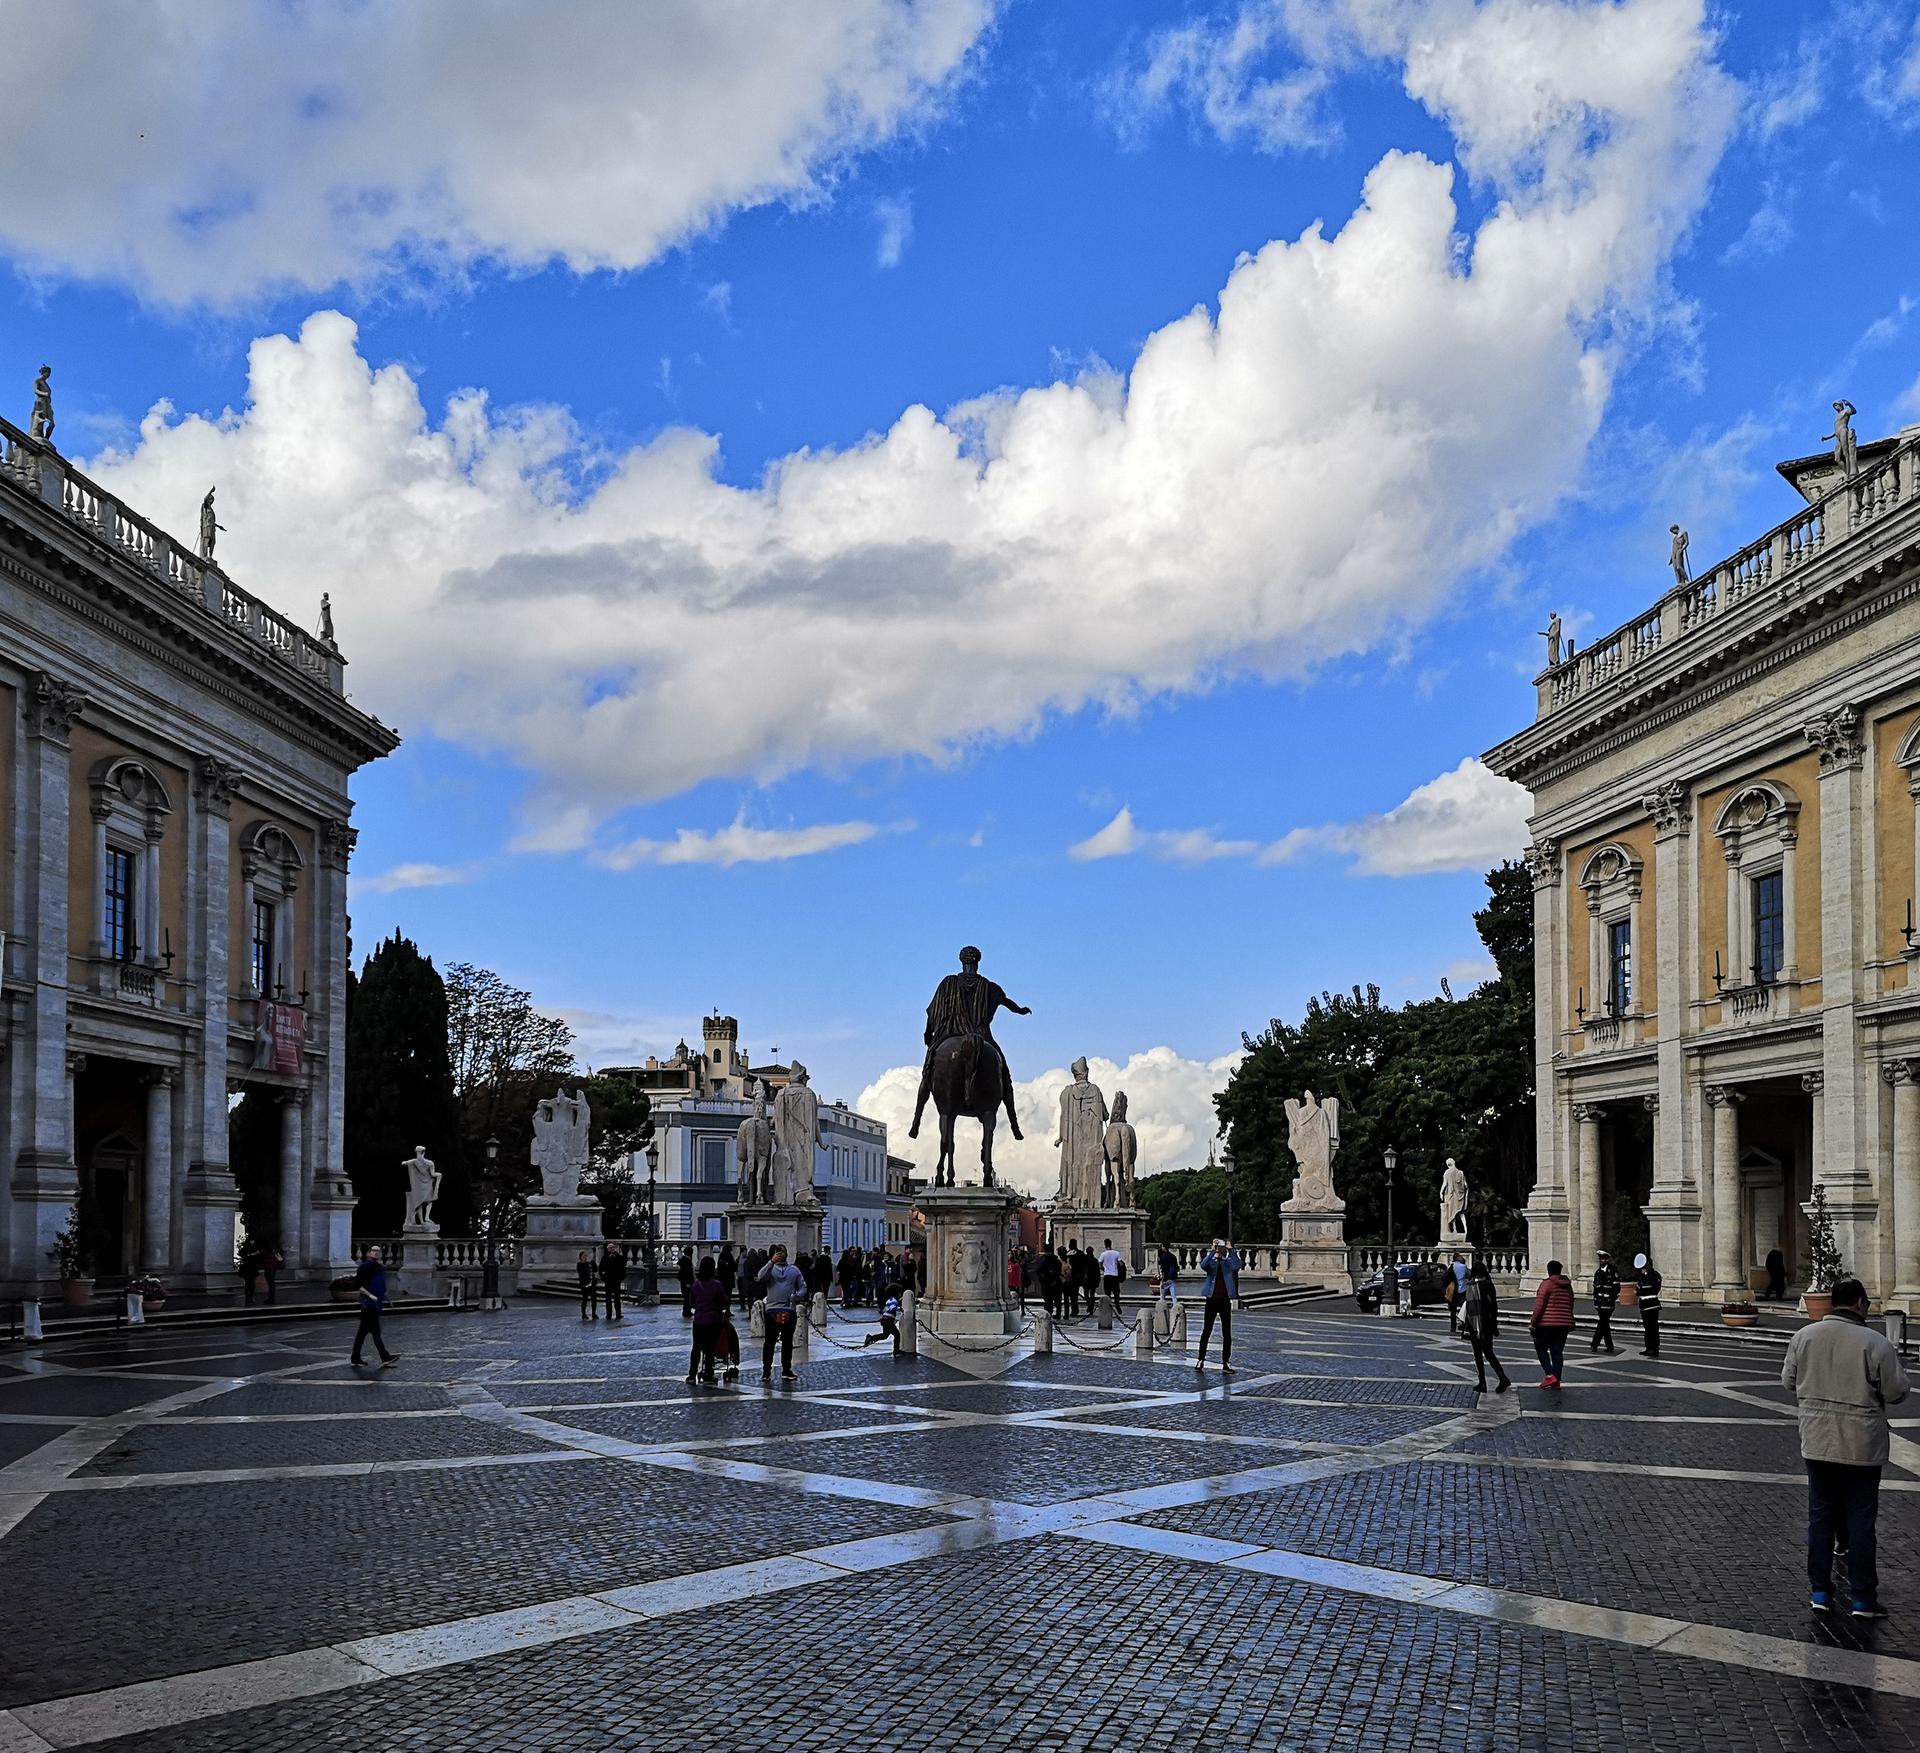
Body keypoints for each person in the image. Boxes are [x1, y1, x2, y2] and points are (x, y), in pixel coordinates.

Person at [1782, 1276, 1911, 1617]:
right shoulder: (1874, 1342)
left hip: (1817, 1440)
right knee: (1861, 1520)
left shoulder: (1803, 1337)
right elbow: (1896, 1391)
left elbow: (1788, 1382)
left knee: (1820, 1516)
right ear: (1858, 1304)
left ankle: (1821, 1592)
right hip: (1861, 1444)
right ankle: (1863, 1598)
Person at [1461, 1258, 1511, 1395]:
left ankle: (1482, 1382)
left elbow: (1470, 1309)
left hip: (1476, 1324)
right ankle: (1502, 1376)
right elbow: (1494, 1306)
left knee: (1478, 1354)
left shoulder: (1472, 1286)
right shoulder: (1489, 1285)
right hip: (1488, 1323)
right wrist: (1494, 1325)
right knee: (1489, 1352)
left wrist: (1466, 1326)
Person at [758, 1244, 808, 1381]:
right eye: (777, 1252)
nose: (780, 1254)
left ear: (787, 1253)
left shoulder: (794, 1270)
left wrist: (798, 1295)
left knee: (787, 1342)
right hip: (771, 1310)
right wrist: (771, 1262)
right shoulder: (769, 1269)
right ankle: (766, 1371)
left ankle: (786, 1369)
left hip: (788, 1309)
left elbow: (803, 1287)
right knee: (769, 1342)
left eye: (782, 1252)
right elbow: (760, 1277)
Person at [1529, 1259, 1577, 1388]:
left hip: (1547, 1323)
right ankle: (1557, 1379)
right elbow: (1571, 1303)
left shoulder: (1547, 1284)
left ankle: (1550, 1375)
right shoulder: (1568, 1285)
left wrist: (1533, 1323)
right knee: (1557, 1351)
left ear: (1548, 1271)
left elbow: (1539, 1306)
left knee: (1541, 1348)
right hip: (1564, 1323)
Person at [1196, 1237, 1241, 1371]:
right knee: (1206, 1331)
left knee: (1226, 1332)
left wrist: (1231, 1250)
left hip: (1225, 1300)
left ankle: (1226, 1361)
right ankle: (1200, 1359)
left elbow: (1237, 1265)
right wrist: (1212, 1251)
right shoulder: (1212, 1263)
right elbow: (1203, 1265)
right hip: (1212, 1299)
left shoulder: (1228, 1263)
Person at [351, 1245, 397, 1368]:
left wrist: (387, 1298)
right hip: (369, 1304)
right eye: (373, 1251)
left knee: (362, 1333)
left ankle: (355, 1357)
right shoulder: (365, 1267)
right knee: (375, 1331)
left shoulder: (379, 1267)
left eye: (378, 1251)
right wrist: (370, 1296)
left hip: (376, 1304)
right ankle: (384, 1356)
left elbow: (381, 1285)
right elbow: (358, 1285)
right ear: (368, 1253)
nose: (376, 1253)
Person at [687, 1256, 729, 1385]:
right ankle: (708, 1373)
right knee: (710, 1349)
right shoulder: (716, 1285)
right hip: (713, 1320)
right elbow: (723, 1302)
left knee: (696, 1347)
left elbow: (691, 1303)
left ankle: (691, 1374)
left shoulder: (695, 1285)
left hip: (699, 1320)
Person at [1589, 1250, 1619, 1355]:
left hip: (1608, 1301)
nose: (1601, 1261)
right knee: (1604, 1324)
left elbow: (1616, 1287)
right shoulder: (1597, 1273)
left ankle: (1594, 1344)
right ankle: (1609, 1346)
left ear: (1607, 1259)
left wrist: (1612, 1298)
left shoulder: (1612, 1271)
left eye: (1603, 1259)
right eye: (1600, 1259)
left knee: (1602, 1323)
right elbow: (1595, 1289)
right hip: (1600, 1302)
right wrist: (1595, 1301)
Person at [1634, 1252, 1662, 1357]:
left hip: (1651, 1304)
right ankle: (1649, 1347)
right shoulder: (1643, 1276)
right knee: (1647, 1328)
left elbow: (1650, 1288)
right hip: (1645, 1304)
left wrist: (1639, 1290)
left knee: (1652, 1328)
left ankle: (1654, 1348)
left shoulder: (1653, 1275)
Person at [1098, 1238, 1125, 1318]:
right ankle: (1117, 1304)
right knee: (1116, 1292)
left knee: (1107, 1292)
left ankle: (1108, 1306)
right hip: (1115, 1275)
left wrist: (1104, 1269)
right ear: (1111, 1244)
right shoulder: (1116, 1253)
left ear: (1105, 1244)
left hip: (1107, 1275)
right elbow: (1121, 1264)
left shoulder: (1103, 1254)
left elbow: (1100, 1264)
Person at [602, 1243, 627, 1321]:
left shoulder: (619, 1257)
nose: (612, 1249)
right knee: (608, 1299)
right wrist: (604, 1278)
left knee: (617, 1298)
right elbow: (601, 1269)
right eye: (610, 1248)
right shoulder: (605, 1257)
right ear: (608, 1249)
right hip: (608, 1281)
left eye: (613, 1247)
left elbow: (623, 1269)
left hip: (616, 1281)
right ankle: (608, 1314)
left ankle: (618, 1314)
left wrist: (620, 1279)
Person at [1037, 1244, 1062, 1319]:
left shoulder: (1054, 1261)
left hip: (1052, 1283)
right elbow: (1038, 1271)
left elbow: (1058, 1272)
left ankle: (1053, 1313)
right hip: (1048, 1283)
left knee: (1052, 1300)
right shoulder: (1045, 1260)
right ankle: (1051, 1313)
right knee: (1049, 1300)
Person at [1447, 1253, 1467, 1334]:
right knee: (1464, 1309)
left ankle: (1453, 1326)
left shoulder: (1451, 1267)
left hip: (1453, 1290)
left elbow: (1446, 1277)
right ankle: (1463, 1324)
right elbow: (1469, 1275)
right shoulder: (1463, 1267)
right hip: (1462, 1290)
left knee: (1453, 1310)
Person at [575, 1249, 598, 1321]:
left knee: (594, 1299)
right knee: (584, 1299)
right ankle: (583, 1314)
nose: (585, 1257)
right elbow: (582, 1273)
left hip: (592, 1284)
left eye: (586, 1256)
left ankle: (594, 1313)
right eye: (584, 1256)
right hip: (585, 1284)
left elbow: (595, 1270)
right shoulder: (579, 1264)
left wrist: (593, 1264)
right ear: (581, 1257)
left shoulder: (589, 1264)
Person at [1157, 1243, 1180, 1310]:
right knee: (1173, 1296)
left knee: (1162, 1297)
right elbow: (1177, 1267)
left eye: (1162, 1246)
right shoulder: (1172, 1256)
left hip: (1165, 1279)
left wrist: (1162, 1280)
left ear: (1164, 1247)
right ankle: (1175, 1309)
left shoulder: (1163, 1257)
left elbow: (1163, 1269)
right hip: (1172, 1279)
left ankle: (1161, 1310)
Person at [677, 1247, 695, 1319]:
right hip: (687, 1283)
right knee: (687, 1298)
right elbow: (685, 1273)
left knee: (687, 1298)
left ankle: (687, 1311)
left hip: (686, 1282)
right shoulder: (686, 1261)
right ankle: (686, 1311)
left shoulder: (683, 1260)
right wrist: (687, 1282)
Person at [262, 1243, 281, 1307]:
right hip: (273, 1269)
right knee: (272, 1285)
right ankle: (271, 1299)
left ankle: (271, 1299)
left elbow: (264, 1261)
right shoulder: (275, 1253)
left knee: (271, 1285)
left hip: (268, 1269)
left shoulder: (266, 1253)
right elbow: (280, 1259)